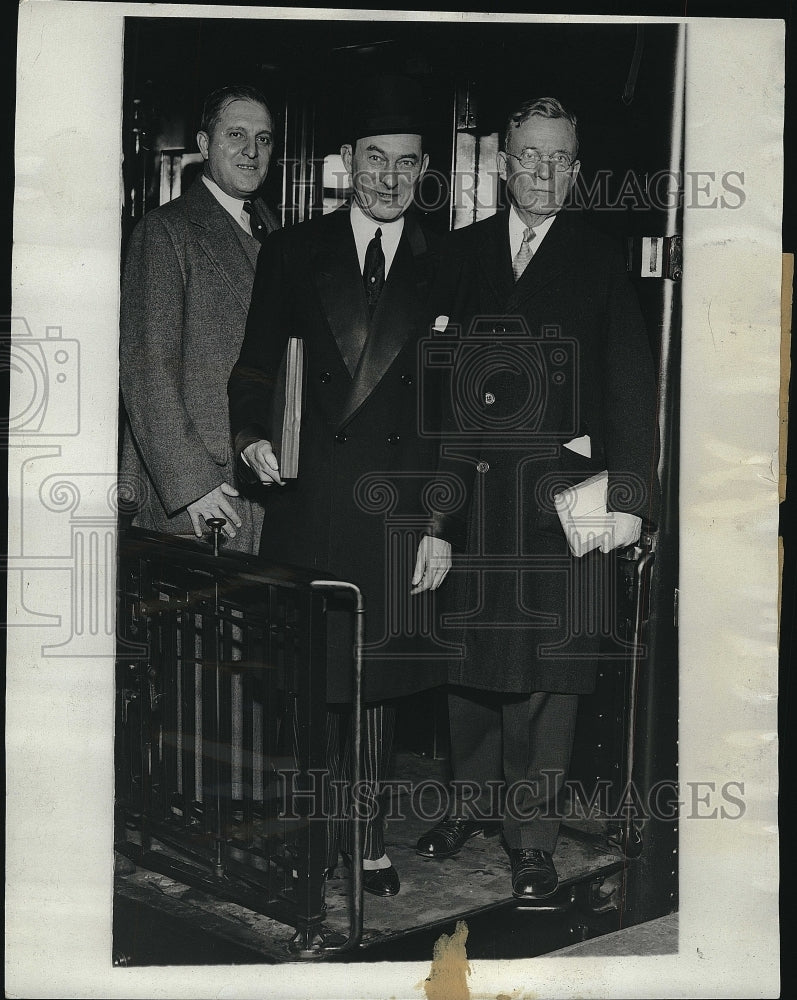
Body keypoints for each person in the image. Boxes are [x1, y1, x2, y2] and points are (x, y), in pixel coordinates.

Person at [413, 97, 660, 899]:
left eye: (558, 157)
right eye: (528, 156)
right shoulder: (457, 252)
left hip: (558, 504)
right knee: (468, 667)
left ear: (576, 171)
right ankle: (470, 802)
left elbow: (628, 389)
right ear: (503, 166)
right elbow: (430, 385)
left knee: (547, 677)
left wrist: (627, 496)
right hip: (474, 499)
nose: (543, 171)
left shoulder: (598, 258)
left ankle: (531, 838)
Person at [228, 76, 447, 897]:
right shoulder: (293, 251)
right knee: (315, 681)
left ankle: (368, 835)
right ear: (345, 163)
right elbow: (251, 368)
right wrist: (250, 436)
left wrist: (439, 521)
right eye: (374, 161)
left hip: (398, 506)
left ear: (424, 169)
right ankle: (318, 829)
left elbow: (454, 412)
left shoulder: (443, 261)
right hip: (311, 495)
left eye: (406, 164)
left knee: (378, 683)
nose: (389, 180)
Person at [120, 84, 280, 553]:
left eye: (265, 138)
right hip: (202, 500)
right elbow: (146, 371)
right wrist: (192, 486)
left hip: (259, 486)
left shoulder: (276, 232)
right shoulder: (166, 231)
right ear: (205, 145)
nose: (252, 151)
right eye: (236, 134)